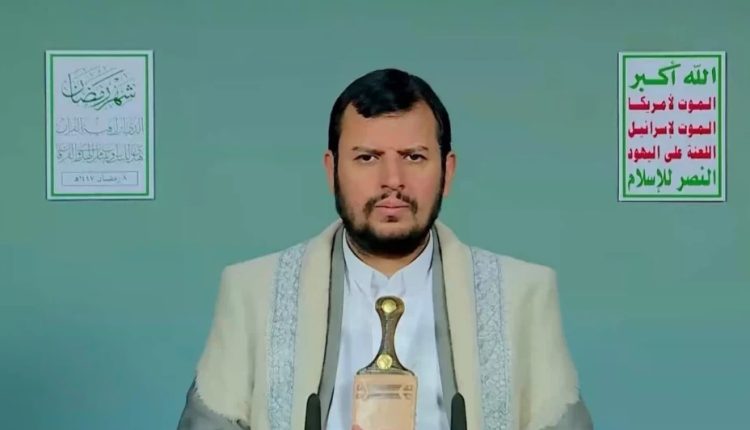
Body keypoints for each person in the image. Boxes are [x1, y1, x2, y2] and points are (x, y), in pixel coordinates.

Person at [176, 68, 593, 430]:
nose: (392, 180)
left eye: (413, 157)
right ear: (332, 170)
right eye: (367, 157)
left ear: (447, 171)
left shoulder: (521, 295)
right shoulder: (254, 292)